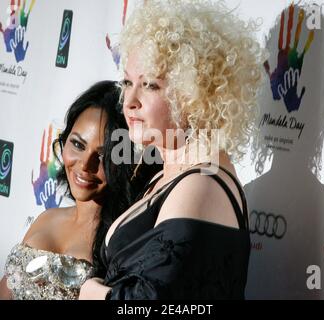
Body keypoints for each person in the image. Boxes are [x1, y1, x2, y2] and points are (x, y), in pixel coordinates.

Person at [79, 0, 266, 300]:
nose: (129, 101)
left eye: (150, 85)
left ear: (195, 94)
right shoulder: (165, 176)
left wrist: (91, 293)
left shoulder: (202, 184)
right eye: (127, 82)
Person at [0, 81, 143, 300]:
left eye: (103, 155)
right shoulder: (46, 218)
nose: (85, 164)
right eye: (77, 144)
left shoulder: (122, 242)